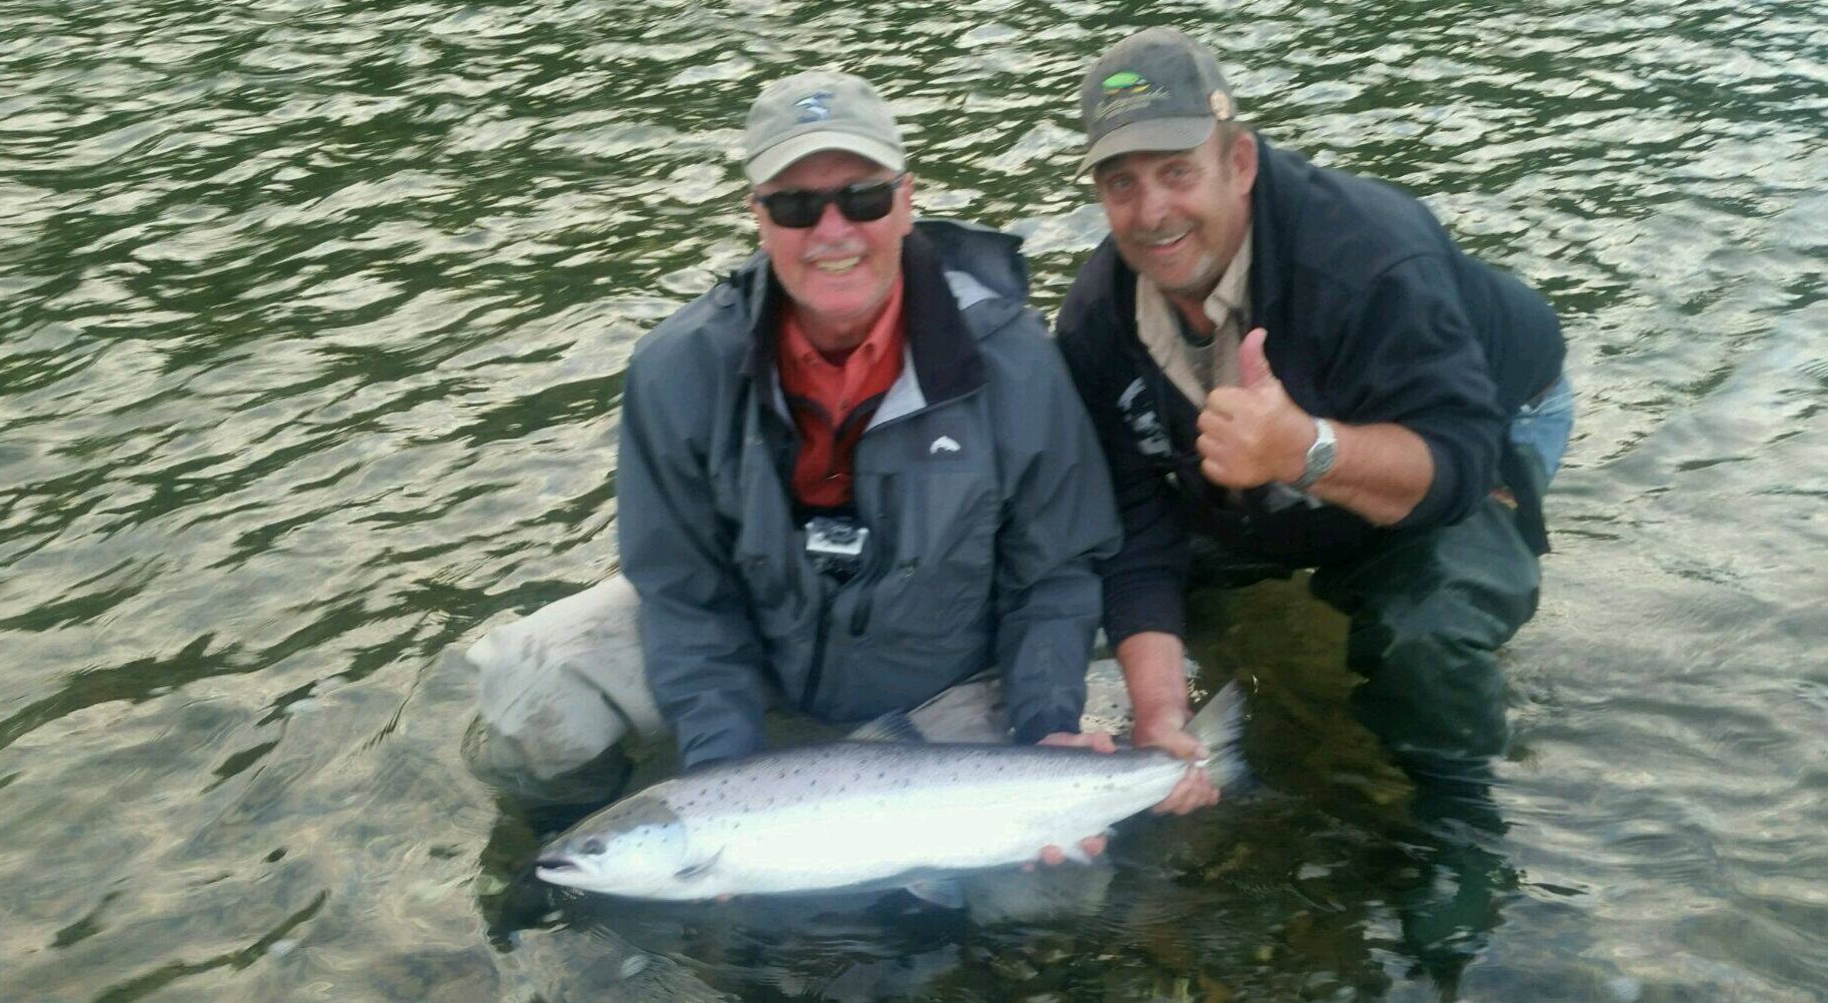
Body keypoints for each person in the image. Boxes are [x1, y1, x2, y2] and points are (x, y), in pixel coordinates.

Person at [466, 71, 1123, 862]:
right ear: (758, 218)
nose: (832, 230)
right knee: (528, 682)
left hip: (937, 684)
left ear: (907, 200)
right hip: (761, 650)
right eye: (796, 206)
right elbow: (684, 592)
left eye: (864, 198)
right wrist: (720, 783)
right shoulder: (677, 369)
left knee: (1046, 890)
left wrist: (1046, 724)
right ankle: (550, 860)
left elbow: (1053, 577)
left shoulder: (1013, 362)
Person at [1055, 29, 1573, 808]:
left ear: (1239, 163)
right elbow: (1135, 526)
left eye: (1176, 171)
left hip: (1487, 414)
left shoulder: (1367, 260)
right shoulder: (1097, 323)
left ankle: (1457, 814)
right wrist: (1161, 716)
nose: (1152, 210)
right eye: (1121, 182)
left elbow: (1460, 461)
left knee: (1423, 626)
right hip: (1281, 447)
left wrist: (1302, 451)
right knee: (1131, 580)